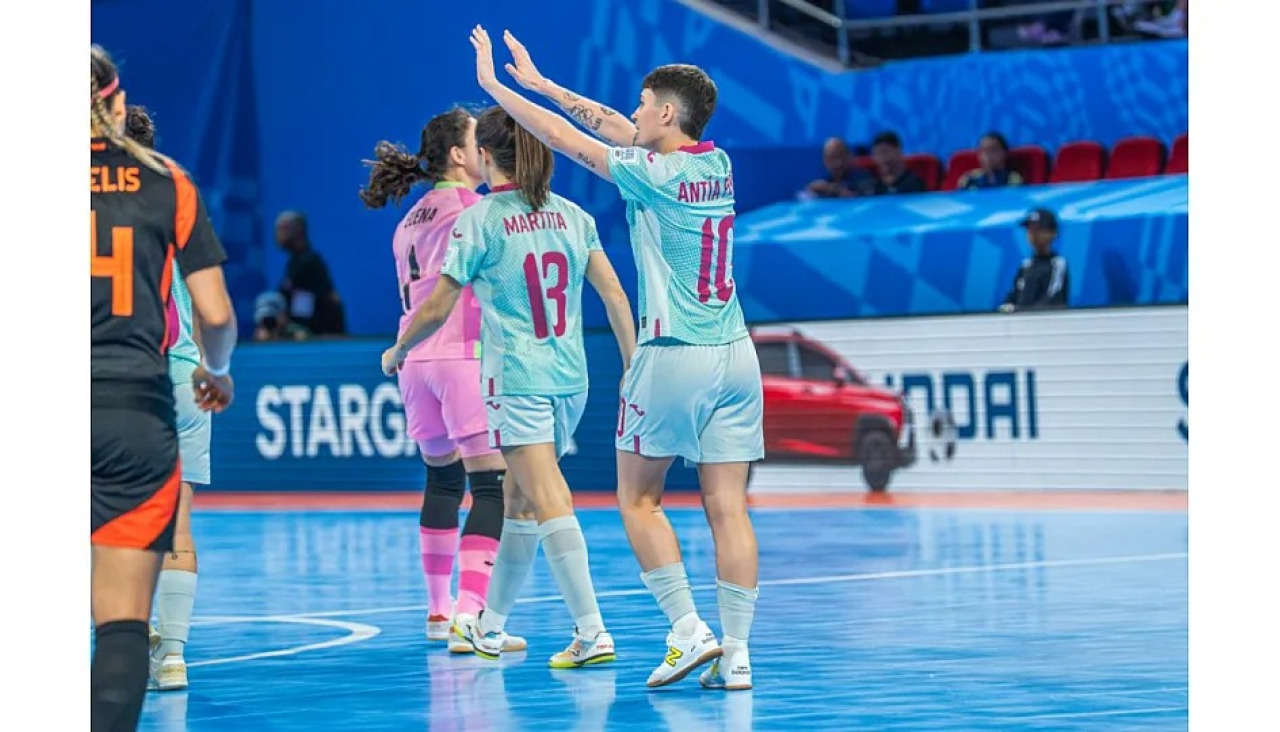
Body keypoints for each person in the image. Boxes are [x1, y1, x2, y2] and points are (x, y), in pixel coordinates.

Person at [475, 26, 763, 690]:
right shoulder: (717, 165)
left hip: (674, 351)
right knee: (728, 507)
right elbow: (609, 125)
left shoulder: (651, 176)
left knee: (637, 499)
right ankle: (738, 655)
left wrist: (495, 87)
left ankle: (687, 632)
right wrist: (543, 83)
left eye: (642, 104)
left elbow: (563, 139)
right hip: (737, 356)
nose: (632, 113)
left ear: (667, 113)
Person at [381, 104, 636, 669]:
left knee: (543, 498)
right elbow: (616, 296)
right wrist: (632, 364)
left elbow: (438, 305)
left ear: (486, 155)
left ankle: (592, 630)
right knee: (516, 500)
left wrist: (398, 350)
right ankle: (488, 626)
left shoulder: (477, 218)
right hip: (570, 378)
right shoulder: (573, 214)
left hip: (513, 376)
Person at [91, 45, 237, 731]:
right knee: (127, 613)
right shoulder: (167, 187)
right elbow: (216, 315)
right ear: (116, 104)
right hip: (142, 394)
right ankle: (170, 653)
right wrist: (218, 370)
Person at [360, 107, 524, 655]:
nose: (486, 150)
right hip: (462, 357)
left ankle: (437, 609)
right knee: (489, 487)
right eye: (478, 142)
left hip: (415, 365)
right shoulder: (477, 210)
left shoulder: (408, 219)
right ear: (458, 154)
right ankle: (470, 616)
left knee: (442, 482)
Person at [121, 105, 214, 692]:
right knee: (178, 524)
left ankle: (131, 638)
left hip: (121, 382)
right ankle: (173, 656)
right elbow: (207, 305)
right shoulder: (180, 204)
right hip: (184, 378)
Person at [275, 210, 346, 336]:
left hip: (317, 335)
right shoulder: (294, 262)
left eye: (283, 228)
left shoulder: (308, 263)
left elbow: (313, 302)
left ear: (298, 230)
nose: (278, 234)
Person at [1000, 208, 1070, 313]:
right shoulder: (1026, 265)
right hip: (1021, 321)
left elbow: (1053, 299)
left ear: (1052, 233)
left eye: (1038, 229)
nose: (1033, 234)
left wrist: (1023, 313)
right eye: (1029, 229)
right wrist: (1006, 309)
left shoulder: (1058, 264)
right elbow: (1012, 297)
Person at [800, 137, 868, 199]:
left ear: (850, 156)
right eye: (832, 158)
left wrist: (833, 190)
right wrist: (811, 191)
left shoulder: (863, 178)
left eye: (842, 156)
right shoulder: (824, 183)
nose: (838, 163)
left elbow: (861, 198)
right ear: (825, 161)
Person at [862, 131, 926, 195]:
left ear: (898, 151)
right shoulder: (872, 188)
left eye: (884, 152)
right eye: (877, 154)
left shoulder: (915, 185)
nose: (881, 158)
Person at [958, 132, 1024, 190]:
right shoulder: (969, 179)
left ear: (1004, 153)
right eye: (984, 150)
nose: (988, 155)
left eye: (992, 150)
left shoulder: (1013, 179)